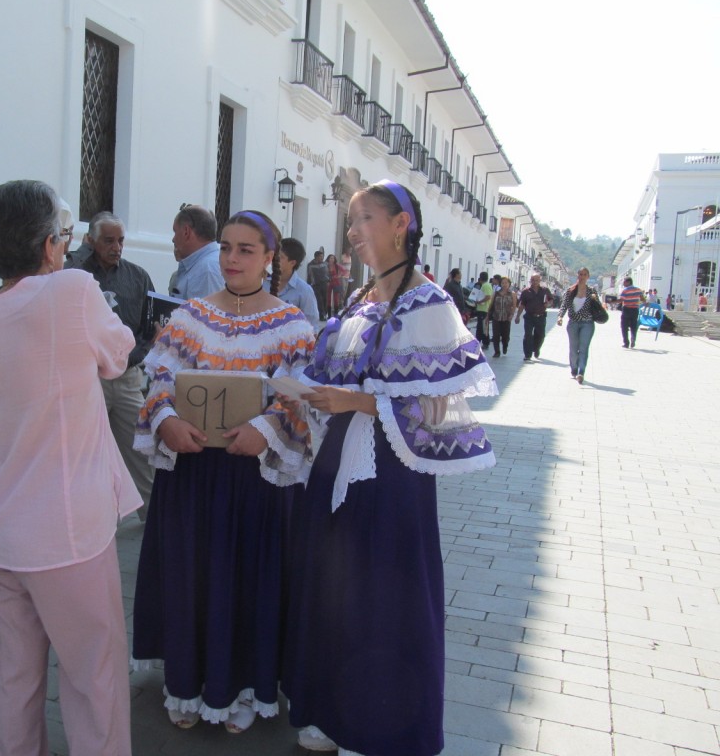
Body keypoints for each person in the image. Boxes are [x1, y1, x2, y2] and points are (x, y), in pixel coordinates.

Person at [282, 180, 496, 756]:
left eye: (363, 219)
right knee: (335, 590)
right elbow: (329, 372)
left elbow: (438, 405)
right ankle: (331, 710)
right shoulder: (358, 302)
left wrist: (356, 401)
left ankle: (379, 728)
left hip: (392, 476)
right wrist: (299, 389)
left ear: (401, 223)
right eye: (350, 221)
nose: (352, 231)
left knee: (384, 595)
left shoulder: (429, 304)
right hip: (337, 468)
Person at [0, 180, 141, 756]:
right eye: (63, 238)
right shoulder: (71, 290)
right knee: (94, 673)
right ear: (49, 245)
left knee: (16, 675)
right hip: (65, 533)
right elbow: (118, 355)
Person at [131, 210, 315, 734]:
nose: (232, 259)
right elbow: (160, 378)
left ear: (270, 259)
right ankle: (186, 684)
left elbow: (299, 396)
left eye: (246, 250)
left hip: (253, 479)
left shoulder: (292, 327)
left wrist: (268, 427)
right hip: (192, 474)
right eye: (227, 248)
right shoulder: (189, 317)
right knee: (192, 577)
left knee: (245, 582)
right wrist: (165, 420)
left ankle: (240, 688)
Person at [78, 213, 157, 516]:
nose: (116, 247)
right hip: (88, 378)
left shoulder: (138, 277)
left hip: (127, 378)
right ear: (91, 240)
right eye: (108, 240)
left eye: (120, 240)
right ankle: (93, 517)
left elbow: (151, 329)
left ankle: (151, 516)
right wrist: (83, 254)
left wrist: (136, 356)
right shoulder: (74, 272)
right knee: (87, 452)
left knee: (139, 447)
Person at [168, 203, 224, 299]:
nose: (173, 239)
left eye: (175, 231)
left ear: (186, 232)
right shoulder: (212, 262)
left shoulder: (206, 271)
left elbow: (204, 313)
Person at [557, 267, 601, 384]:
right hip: (573, 323)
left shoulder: (592, 291)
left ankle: (581, 371)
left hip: (587, 323)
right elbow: (564, 305)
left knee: (583, 348)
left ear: (588, 277)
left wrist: (595, 300)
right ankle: (574, 369)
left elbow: (599, 307)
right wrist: (560, 316)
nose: (582, 276)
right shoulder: (570, 290)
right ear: (578, 276)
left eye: (584, 274)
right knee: (573, 348)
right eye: (580, 274)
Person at [277, 236, 321, 324]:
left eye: (280, 257)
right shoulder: (262, 283)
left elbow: (311, 324)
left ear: (292, 263)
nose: (274, 259)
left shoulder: (304, 290)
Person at [514, 273, 553, 362]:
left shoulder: (545, 290)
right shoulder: (525, 291)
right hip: (529, 316)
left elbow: (551, 300)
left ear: (540, 280)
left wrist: (548, 304)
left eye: (537, 280)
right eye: (533, 280)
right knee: (528, 335)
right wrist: (517, 316)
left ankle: (536, 349)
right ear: (530, 280)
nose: (535, 282)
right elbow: (522, 305)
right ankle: (527, 355)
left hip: (541, 316)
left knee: (541, 335)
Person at [489, 276, 517, 357]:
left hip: (506, 317)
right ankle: (497, 351)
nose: (504, 284)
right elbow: (491, 304)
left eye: (506, 283)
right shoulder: (496, 293)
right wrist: (488, 315)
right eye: (502, 283)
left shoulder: (512, 294)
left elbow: (514, 305)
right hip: (496, 317)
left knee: (505, 335)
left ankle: (505, 346)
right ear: (500, 284)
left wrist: (512, 315)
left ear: (509, 284)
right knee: (496, 335)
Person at [619, 277, 645, 348]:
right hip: (635, 310)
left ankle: (626, 343)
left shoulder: (625, 291)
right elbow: (642, 298)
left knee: (624, 326)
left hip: (626, 309)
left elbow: (621, 300)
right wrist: (645, 302)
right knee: (633, 326)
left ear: (628, 282)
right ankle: (633, 338)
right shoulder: (638, 290)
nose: (623, 283)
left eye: (624, 282)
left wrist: (612, 301)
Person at [306, 249, 330, 318]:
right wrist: (309, 284)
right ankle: (321, 315)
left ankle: (325, 313)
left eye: (322, 256)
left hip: (324, 284)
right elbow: (309, 275)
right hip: (315, 284)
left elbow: (328, 273)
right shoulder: (310, 265)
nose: (322, 258)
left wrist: (328, 280)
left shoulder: (325, 264)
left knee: (325, 299)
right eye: (320, 257)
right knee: (319, 300)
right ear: (316, 257)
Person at [472, 271, 493, 349]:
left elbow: (488, 297)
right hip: (482, 309)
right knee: (481, 326)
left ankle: (484, 342)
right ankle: (480, 341)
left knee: (483, 327)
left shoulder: (485, 286)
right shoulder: (486, 285)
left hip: (484, 309)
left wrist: (479, 301)